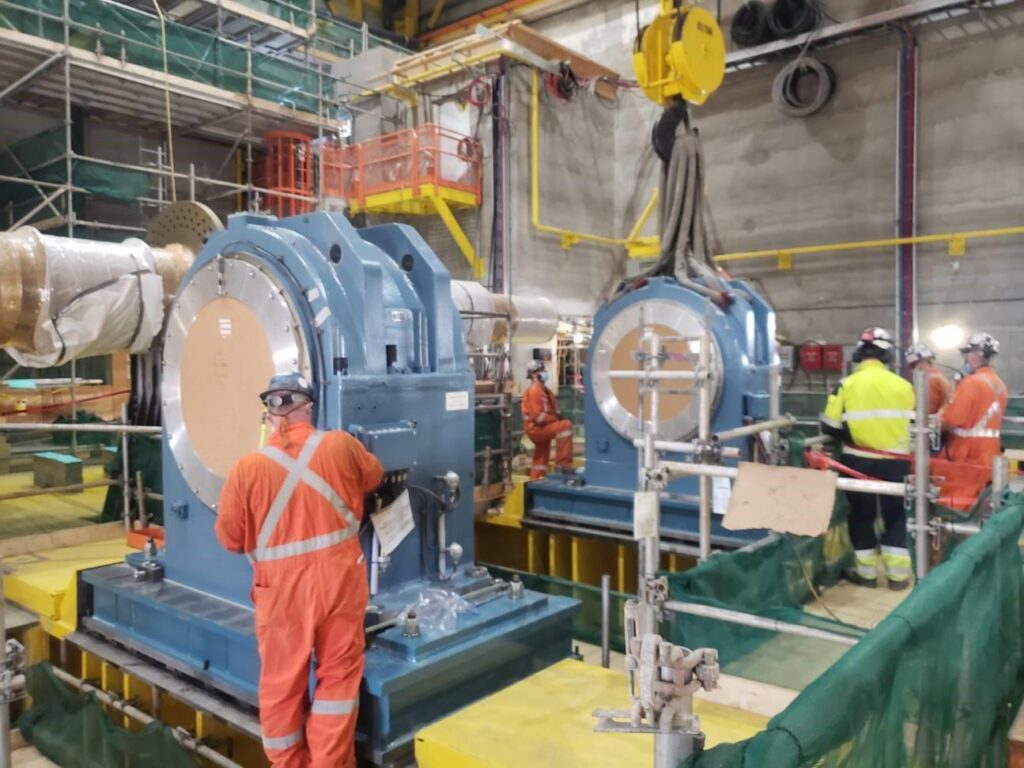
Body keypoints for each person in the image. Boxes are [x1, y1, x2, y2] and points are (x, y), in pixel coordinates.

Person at [215, 373, 383, 768]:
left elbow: (230, 538)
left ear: (270, 415)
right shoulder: (340, 445)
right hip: (340, 581)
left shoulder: (247, 468)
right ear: (309, 407)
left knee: (282, 684)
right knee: (338, 678)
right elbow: (374, 475)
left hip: (281, 591)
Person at [821, 328, 915, 590]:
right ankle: (898, 578)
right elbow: (915, 425)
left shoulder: (847, 384)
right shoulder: (905, 386)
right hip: (897, 463)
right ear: (886, 355)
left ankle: (867, 575)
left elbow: (829, 426)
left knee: (862, 516)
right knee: (896, 515)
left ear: (859, 354)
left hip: (858, 462)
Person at [937, 332, 1006, 509]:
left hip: (968, 454)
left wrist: (938, 419)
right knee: (981, 505)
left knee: (955, 504)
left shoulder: (971, 383)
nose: (966, 358)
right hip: (991, 453)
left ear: (976, 355)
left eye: (967, 353)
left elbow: (953, 419)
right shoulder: (999, 384)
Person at [521, 360, 573, 479]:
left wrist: (558, 416)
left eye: (543, 369)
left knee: (541, 453)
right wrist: (556, 420)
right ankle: (563, 466)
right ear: (533, 374)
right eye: (541, 370)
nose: (544, 372)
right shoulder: (534, 391)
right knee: (565, 426)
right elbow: (539, 417)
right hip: (536, 428)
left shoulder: (545, 391)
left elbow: (552, 411)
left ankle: (536, 478)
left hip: (540, 427)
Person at [905, 343, 951, 415]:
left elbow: (927, 410)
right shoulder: (938, 376)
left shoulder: (929, 380)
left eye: (914, 363)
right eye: (912, 365)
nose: (915, 368)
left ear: (925, 360)